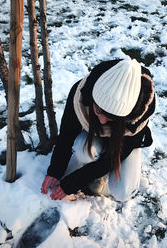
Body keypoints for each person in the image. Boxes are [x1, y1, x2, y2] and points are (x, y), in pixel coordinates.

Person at [41, 57, 156, 202]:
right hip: (95, 135)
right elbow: (66, 135)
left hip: (124, 142)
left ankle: (105, 178)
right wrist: (55, 171)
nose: (102, 121)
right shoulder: (82, 94)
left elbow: (115, 157)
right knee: (84, 151)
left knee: (123, 192)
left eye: (111, 118)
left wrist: (74, 182)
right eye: (98, 111)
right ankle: (96, 170)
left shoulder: (137, 114)